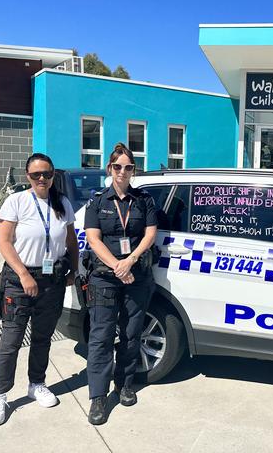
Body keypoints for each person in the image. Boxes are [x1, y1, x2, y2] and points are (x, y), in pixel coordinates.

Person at [0, 153, 78, 426]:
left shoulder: (62, 203)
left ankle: (36, 384)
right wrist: (24, 274)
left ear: (53, 176)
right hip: (19, 279)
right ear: (28, 176)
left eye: (47, 174)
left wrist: (73, 270)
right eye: (36, 174)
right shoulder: (16, 201)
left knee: (42, 337)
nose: (42, 179)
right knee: (11, 341)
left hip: (52, 281)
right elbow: (4, 243)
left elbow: (71, 241)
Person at [84, 142, 158, 425]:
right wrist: (118, 265)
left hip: (136, 275)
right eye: (118, 167)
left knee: (131, 332)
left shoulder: (144, 201)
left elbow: (150, 233)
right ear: (110, 169)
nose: (122, 172)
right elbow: (93, 239)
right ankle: (98, 397)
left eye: (128, 167)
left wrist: (131, 260)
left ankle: (124, 384)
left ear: (133, 170)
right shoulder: (98, 201)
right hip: (105, 277)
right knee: (101, 336)